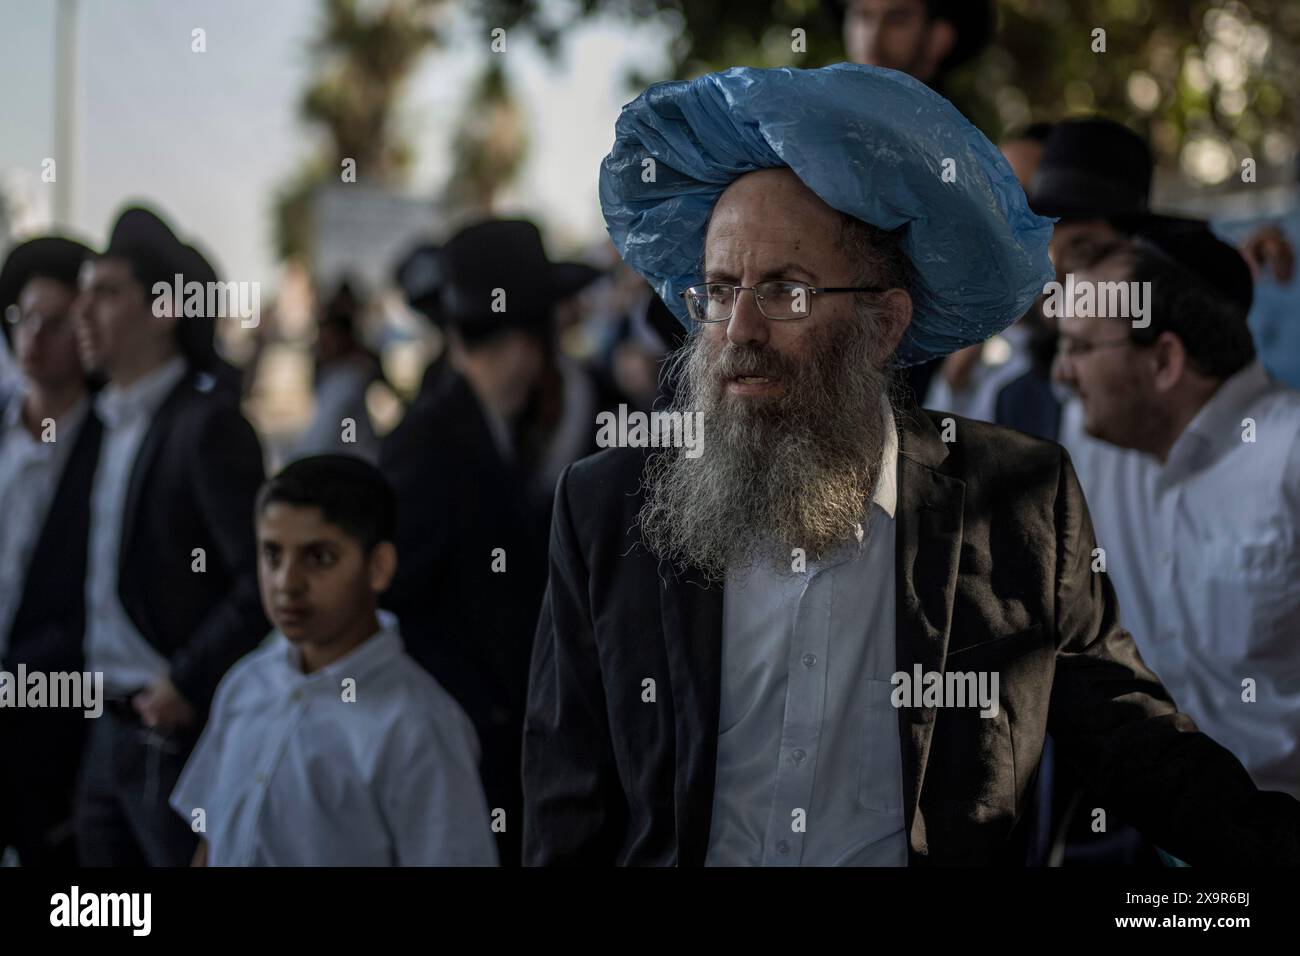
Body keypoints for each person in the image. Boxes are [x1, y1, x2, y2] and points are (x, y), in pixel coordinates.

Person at [522, 63, 1300, 866]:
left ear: (884, 322)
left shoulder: (1018, 500)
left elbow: (1133, 740)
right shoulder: (609, 506)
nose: (738, 329)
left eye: (786, 292)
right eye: (720, 291)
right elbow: (565, 801)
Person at [1052, 223, 1300, 801]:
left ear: (1165, 360)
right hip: (1165, 830)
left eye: (1082, 348)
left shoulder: (1287, 458)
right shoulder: (1095, 443)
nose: (1062, 373)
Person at [169, 455, 496, 866]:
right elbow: (212, 842)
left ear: (378, 567)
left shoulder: (417, 725)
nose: (287, 583)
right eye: (272, 555)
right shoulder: (246, 684)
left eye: (319, 558)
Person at [71, 205, 267, 866]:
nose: (84, 312)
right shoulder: (104, 419)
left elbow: (260, 579)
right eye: (83, 292)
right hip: (104, 730)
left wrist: (186, 680)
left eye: (106, 293)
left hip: (174, 735)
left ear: (163, 310)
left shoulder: (206, 425)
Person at [380, 219, 554, 866]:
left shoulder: (484, 429)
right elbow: (390, 593)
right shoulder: (430, 441)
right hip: (459, 753)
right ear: (528, 345)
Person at [0, 236, 101, 866]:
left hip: (54, 728)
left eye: (56, 322)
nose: (34, 336)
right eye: (22, 317)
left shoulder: (111, 445)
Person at [294, 279, 386, 464]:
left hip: (353, 462)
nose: (323, 347)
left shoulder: (351, 379)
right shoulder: (332, 375)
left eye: (329, 341)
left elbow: (343, 435)